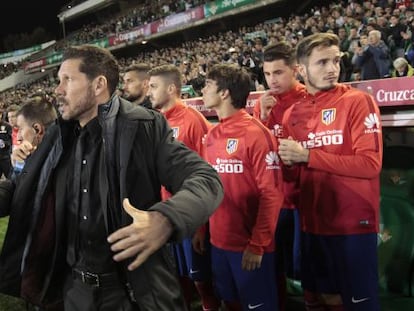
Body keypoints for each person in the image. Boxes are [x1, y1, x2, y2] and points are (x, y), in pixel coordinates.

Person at [0, 44, 224, 311]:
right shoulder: (58, 134)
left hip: (127, 293)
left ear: (98, 85)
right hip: (72, 290)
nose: (57, 90)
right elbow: (24, 189)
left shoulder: (143, 127)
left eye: (67, 80)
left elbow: (206, 178)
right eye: (58, 81)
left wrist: (166, 218)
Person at [278, 33, 383, 311]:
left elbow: (370, 164)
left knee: (359, 304)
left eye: (335, 60)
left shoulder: (358, 102)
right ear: (301, 69)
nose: (332, 68)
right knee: (320, 299)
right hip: (312, 224)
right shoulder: (293, 114)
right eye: (322, 62)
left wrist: (308, 155)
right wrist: (287, 165)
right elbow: (293, 176)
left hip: (353, 225)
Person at [197, 63, 284, 311]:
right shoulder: (212, 135)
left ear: (224, 92)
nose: (202, 91)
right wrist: (203, 230)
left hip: (249, 247)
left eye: (207, 85)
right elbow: (208, 187)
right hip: (218, 244)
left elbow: (271, 194)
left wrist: (257, 245)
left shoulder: (257, 134)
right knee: (230, 303)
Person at [147, 64, 221, 311]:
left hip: (191, 217)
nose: (149, 92)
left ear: (171, 89)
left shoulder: (192, 120)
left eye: (154, 87)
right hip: (167, 213)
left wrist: (200, 227)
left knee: (201, 279)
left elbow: (207, 175)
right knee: (176, 279)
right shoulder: (156, 121)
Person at [252, 41, 306, 310]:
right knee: (273, 266)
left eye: (278, 73)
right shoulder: (262, 105)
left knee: (304, 268)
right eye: (267, 74)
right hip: (274, 201)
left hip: (302, 201)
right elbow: (257, 147)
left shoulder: (309, 99)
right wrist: (261, 115)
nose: (272, 80)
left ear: (295, 70)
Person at [10, 97, 58, 175]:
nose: (18, 138)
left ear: (37, 129)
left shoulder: (56, 164)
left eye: (21, 129)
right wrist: (18, 167)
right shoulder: (31, 156)